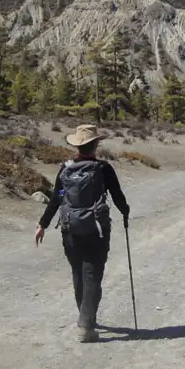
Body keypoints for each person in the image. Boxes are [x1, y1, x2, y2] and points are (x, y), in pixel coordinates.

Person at [35, 124, 131, 343]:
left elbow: (56, 199)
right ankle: (86, 325)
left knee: (78, 273)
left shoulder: (66, 168)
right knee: (92, 275)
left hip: (70, 230)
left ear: (77, 145)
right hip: (97, 229)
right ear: (95, 145)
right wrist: (125, 212)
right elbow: (117, 196)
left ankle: (85, 316)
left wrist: (42, 224)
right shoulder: (103, 169)